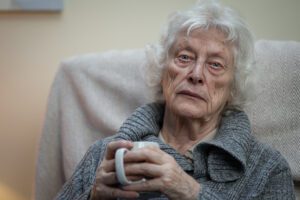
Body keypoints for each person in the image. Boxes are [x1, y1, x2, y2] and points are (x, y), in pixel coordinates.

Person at [55, 0, 295, 199]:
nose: (196, 74)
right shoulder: (105, 154)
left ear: (233, 87)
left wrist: (190, 191)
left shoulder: (267, 169)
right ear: (162, 71)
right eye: (184, 57)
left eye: (215, 65)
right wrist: (92, 196)